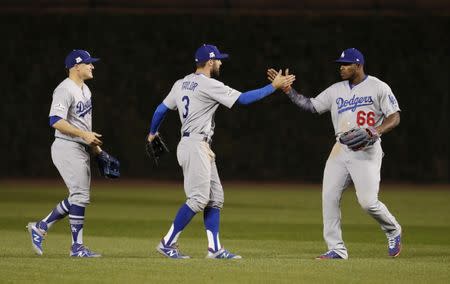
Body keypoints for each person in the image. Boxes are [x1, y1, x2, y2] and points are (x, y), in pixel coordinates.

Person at [147, 44, 295, 259]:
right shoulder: (209, 84)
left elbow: (161, 109)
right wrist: (273, 86)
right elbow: (243, 99)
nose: (220, 62)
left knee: (215, 198)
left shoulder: (181, 84)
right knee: (198, 198)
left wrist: (152, 133)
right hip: (195, 145)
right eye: (218, 59)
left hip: (198, 145)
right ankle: (167, 243)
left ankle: (214, 249)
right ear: (209, 62)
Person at [267, 48, 402, 259]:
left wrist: (376, 130)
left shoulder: (378, 87)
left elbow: (394, 117)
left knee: (368, 202)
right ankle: (336, 249)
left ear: (358, 65)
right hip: (340, 148)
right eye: (341, 63)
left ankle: (393, 229)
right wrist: (288, 90)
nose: (341, 67)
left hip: (367, 150)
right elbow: (310, 106)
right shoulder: (336, 89)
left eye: (346, 64)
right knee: (329, 197)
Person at [27, 49, 110, 257]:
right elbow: (55, 121)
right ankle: (77, 247)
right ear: (76, 66)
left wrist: (98, 151)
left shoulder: (86, 90)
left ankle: (41, 227)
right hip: (65, 146)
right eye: (89, 63)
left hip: (79, 148)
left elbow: (86, 129)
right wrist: (84, 135)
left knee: (78, 195)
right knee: (80, 195)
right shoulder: (64, 89)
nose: (92, 66)